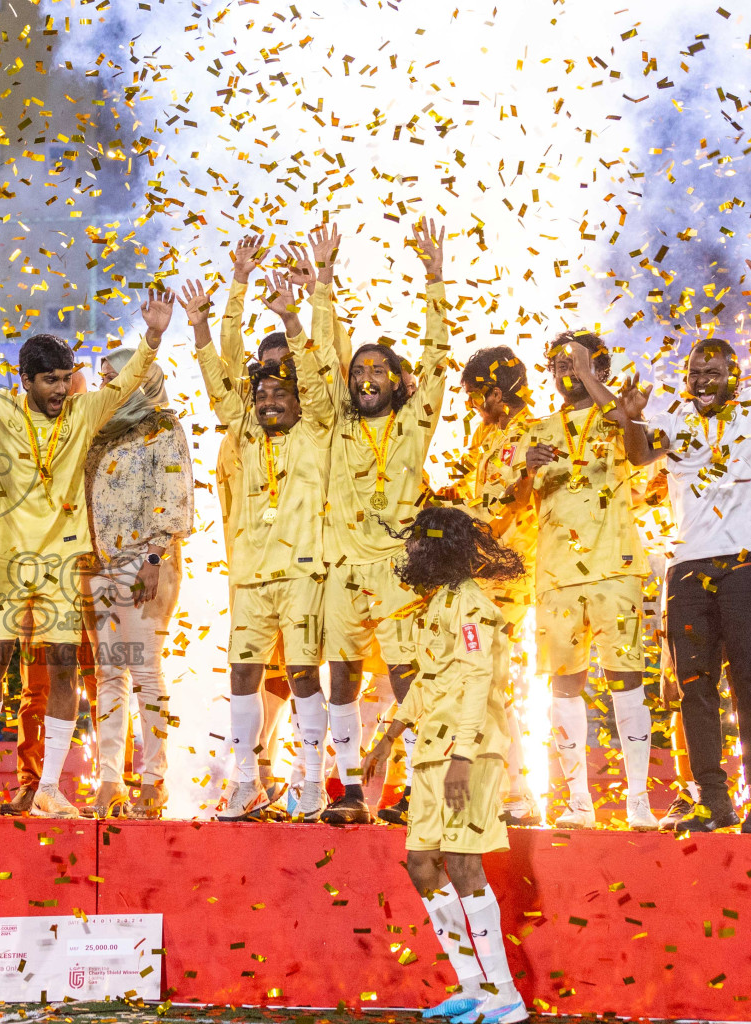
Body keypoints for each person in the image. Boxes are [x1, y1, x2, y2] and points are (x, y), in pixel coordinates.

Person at [0, 290, 170, 819]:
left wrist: (152, 335)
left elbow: (125, 382)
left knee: (62, 669)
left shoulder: (85, 410)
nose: (60, 389)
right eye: (49, 380)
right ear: (24, 379)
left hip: (63, 562)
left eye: (65, 378)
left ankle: (50, 786)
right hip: (6, 557)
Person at [362, 506, 530, 1024]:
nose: (410, 550)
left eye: (417, 542)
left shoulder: (475, 607)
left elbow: (479, 682)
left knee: (464, 865)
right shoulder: (435, 606)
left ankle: (507, 996)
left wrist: (463, 754)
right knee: (421, 864)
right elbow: (431, 682)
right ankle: (473, 987)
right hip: (431, 751)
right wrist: (389, 735)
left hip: (469, 751)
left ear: (439, 547)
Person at [308, 219, 450, 825]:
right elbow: (323, 357)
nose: (365, 378)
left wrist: (435, 277)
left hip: (399, 571)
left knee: (405, 674)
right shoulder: (336, 424)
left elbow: (438, 359)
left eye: (377, 371)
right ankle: (352, 795)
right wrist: (324, 279)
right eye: (358, 371)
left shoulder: (417, 420)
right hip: (343, 569)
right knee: (341, 676)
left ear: (397, 380)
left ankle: (419, 793)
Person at [189, 267, 333, 822]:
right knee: (244, 674)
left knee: (301, 676)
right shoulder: (245, 429)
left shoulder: (317, 427)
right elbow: (221, 384)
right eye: (263, 390)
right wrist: (210, 320)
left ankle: (313, 783)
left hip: (303, 574)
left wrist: (295, 313)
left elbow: (318, 383)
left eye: (282, 388)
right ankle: (246, 783)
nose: (270, 398)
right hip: (249, 575)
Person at [510, 332, 655, 830]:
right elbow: (511, 503)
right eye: (558, 364)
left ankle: (638, 800)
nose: (565, 370)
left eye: (576, 363)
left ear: (602, 370)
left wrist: (593, 379)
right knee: (565, 687)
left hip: (617, 567)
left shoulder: (618, 414)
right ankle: (577, 802)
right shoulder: (534, 429)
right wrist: (525, 476)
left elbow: (639, 456)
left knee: (626, 680)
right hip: (555, 576)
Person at [624, 337, 751, 833]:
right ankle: (711, 799)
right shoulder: (674, 419)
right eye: (694, 373)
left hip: (746, 561)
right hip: (687, 569)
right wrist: (630, 418)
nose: (702, 382)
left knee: (750, 683)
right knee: (695, 687)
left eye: (713, 372)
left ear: (733, 374)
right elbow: (638, 457)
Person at [80, 341, 193, 819]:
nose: (108, 385)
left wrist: (152, 555)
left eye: (115, 377)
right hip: (99, 563)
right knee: (109, 674)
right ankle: (109, 780)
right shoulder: (102, 431)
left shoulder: (162, 426)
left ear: (141, 378)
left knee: (145, 671)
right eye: (104, 379)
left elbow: (175, 492)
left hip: (148, 561)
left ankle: (154, 779)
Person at [454, 345, 541, 827]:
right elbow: (475, 493)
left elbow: (508, 508)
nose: (471, 406)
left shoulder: (533, 433)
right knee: (480, 682)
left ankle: (518, 789)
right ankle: (504, 787)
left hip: (508, 573)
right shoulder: (486, 434)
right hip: (477, 575)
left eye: (473, 397)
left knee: (495, 683)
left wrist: (456, 525)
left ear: (494, 392)